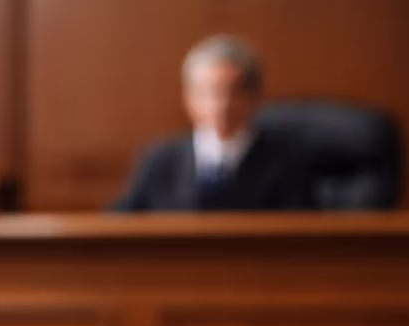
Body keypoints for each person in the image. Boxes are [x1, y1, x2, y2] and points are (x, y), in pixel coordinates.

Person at [113, 35, 315, 212]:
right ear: (188, 98)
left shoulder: (287, 162)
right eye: (209, 92)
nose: (221, 104)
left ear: (255, 97)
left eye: (233, 93)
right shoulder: (160, 159)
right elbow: (120, 225)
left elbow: (304, 235)